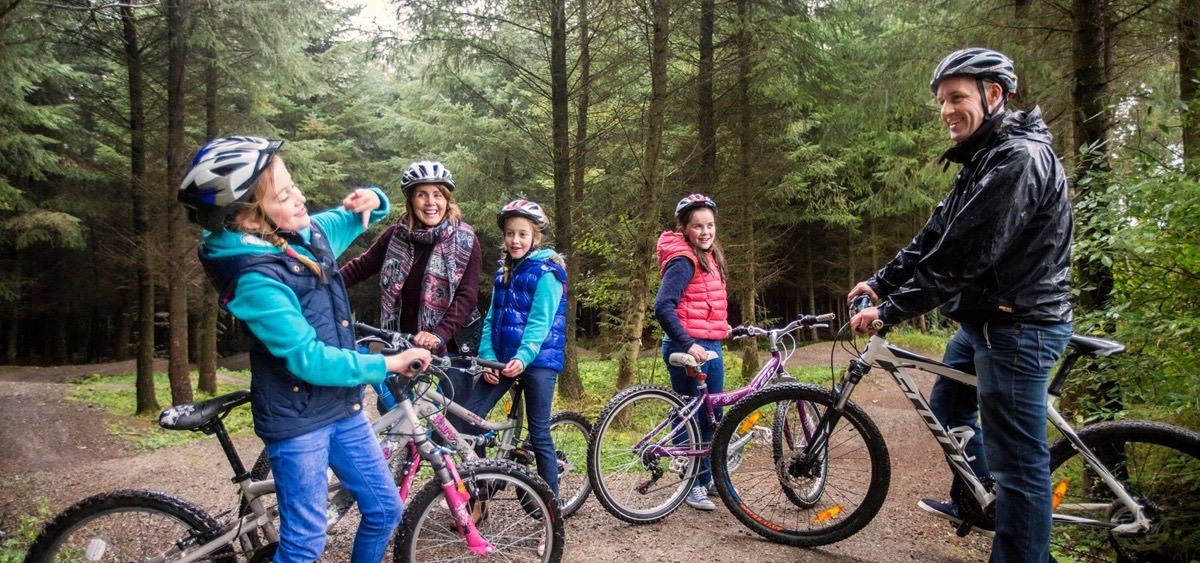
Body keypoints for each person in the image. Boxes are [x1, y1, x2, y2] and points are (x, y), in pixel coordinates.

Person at [847, 48, 1073, 562]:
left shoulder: (1018, 160)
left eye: (957, 97)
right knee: (948, 404)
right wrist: (880, 282)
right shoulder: (983, 158)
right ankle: (976, 498)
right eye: (942, 100)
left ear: (993, 96)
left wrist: (888, 311)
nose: (947, 110)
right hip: (984, 322)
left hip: (1019, 328)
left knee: (1020, 466)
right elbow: (934, 234)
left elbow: (960, 256)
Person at [178, 136, 431, 563]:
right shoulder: (254, 278)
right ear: (248, 219)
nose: (300, 198)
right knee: (304, 543)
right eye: (284, 195)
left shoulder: (299, 233)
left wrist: (376, 199)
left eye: (293, 185)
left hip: (340, 408)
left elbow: (359, 217)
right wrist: (389, 363)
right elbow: (309, 360)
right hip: (298, 422)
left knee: (385, 509)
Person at [340, 160, 483, 409]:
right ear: (411, 200)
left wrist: (438, 334)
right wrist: (321, 285)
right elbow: (361, 267)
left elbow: (466, 296)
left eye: (437, 194)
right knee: (395, 415)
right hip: (404, 343)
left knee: (450, 420)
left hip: (453, 345)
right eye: (422, 195)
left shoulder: (466, 239)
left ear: (447, 199)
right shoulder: (396, 236)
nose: (430, 202)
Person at [462, 199, 568, 506]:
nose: (515, 240)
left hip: (537, 362)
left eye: (522, 234)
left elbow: (540, 323)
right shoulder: (504, 272)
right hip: (502, 360)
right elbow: (491, 318)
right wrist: (487, 358)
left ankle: (552, 508)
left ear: (536, 237)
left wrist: (523, 357)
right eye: (510, 233)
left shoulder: (548, 273)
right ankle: (479, 496)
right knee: (469, 421)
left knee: (539, 434)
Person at [653, 193, 729, 512]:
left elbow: (706, 306)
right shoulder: (684, 260)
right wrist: (688, 343)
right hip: (688, 347)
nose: (705, 231)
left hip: (709, 347)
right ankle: (691, 484)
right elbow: (663, 307)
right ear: (684, 228)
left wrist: (724, 331)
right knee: (690, 418)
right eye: (697, 226)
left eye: (709, 225)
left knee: (713, 416)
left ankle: (707, 477)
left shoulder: (710, 256)